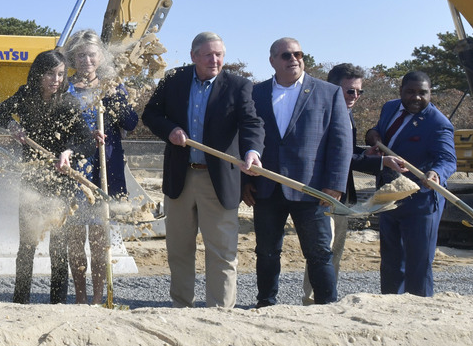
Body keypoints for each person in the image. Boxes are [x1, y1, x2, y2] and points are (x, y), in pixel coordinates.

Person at [140, 31, 264, 309]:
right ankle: (181, 308)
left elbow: (252, 123)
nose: (215, 59)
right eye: (208, 54)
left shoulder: (239, 85)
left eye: (219, 54)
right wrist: (169, 129)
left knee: (222, 251)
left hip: (218, 180)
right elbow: (150, 114)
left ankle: (220, 313)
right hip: (180, 179)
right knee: (179, 250)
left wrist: (252, 152)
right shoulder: (174, 80)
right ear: (193, 56)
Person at [247, 38, 352, 307]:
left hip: (313, 190)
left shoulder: (328, 92)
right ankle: (266, 303)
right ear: (272, 60)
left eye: (298, 54)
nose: (293, 59)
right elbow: (244, 136)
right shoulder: (254, 93)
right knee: (267, 252)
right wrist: (244, 182)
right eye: (285, 55)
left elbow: (341, 142)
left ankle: (328, 306)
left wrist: (335, 185)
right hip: (267, 187)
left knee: (319, 253)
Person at [0, 49, 88, 304]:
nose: (55, 79)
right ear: (38, 74)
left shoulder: (69, 102)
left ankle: (57, 302)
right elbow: (0, 113)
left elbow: (84, 140)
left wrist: (67, 152)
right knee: (27, 244)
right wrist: (13, 126)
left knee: (58, 247)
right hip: (32, 178)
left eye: (60, 74)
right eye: (50, 73)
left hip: (61, 182)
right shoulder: (25, 95)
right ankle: (20, 300)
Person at [352, 70, 455, 297]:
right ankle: (391, 306)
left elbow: (447, 160)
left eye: (422, 93)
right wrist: (373, 134)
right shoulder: (390, 108)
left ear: (430, 94)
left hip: (421, 201)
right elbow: (381, 131)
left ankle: (418, 310)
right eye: (410, 92)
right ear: (401, 92)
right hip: (389, 197)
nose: (416, 97)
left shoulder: (438, 124)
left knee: (418, 263)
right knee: (390, 260)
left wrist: (436, 174)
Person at [64, 30, 139, 304]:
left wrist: (115, 97)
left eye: (92, 54)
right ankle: (80, 296)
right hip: (73, 171)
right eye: (81, 55)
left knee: (98, 239)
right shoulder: (66, 88)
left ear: (100, 57)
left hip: (104, 168)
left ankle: (99, 296)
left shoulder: (113, 86)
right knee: (74, 238)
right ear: (73, 57)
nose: (86, 60)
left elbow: (131, 123)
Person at [303, 63, 366, 304]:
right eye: (350, 91)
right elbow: (338, 154)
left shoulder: (346, 112)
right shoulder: (323, 111)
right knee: (322, 250)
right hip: (325, 193)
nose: (355, 97)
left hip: (343, 194)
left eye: (359, 92)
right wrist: (377, 163)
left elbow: (348, 150)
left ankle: (328, 298)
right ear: (333, 88)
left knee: (335, 251)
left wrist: (370, 153)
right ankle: (312, 300)